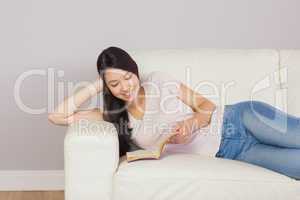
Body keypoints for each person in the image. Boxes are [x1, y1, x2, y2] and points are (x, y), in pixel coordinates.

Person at [48, 46, 300, 180]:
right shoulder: (112, 116)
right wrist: (97, 83)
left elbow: (207, 106)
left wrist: (192, 122)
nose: (125, 86)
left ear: (135, 71)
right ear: (108, 88)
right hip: (233, 151)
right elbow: (57, 117)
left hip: (240, 119)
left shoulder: (158, 80)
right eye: (115, 84)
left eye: (127, 77)